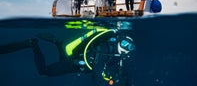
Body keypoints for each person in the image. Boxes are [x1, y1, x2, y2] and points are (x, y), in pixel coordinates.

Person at [0, 29, 135, 85]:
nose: (125, 47)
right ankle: (33, 44)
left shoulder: (116, 54)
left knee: (62, 60)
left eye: (129, 46)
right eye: (124, 43)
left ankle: (58, 43)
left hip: (75, 64)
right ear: (119, 40)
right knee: (43, 72)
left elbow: (120, 72)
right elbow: (97, 70)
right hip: (74, 63)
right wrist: (108, 80)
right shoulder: (106, 47)